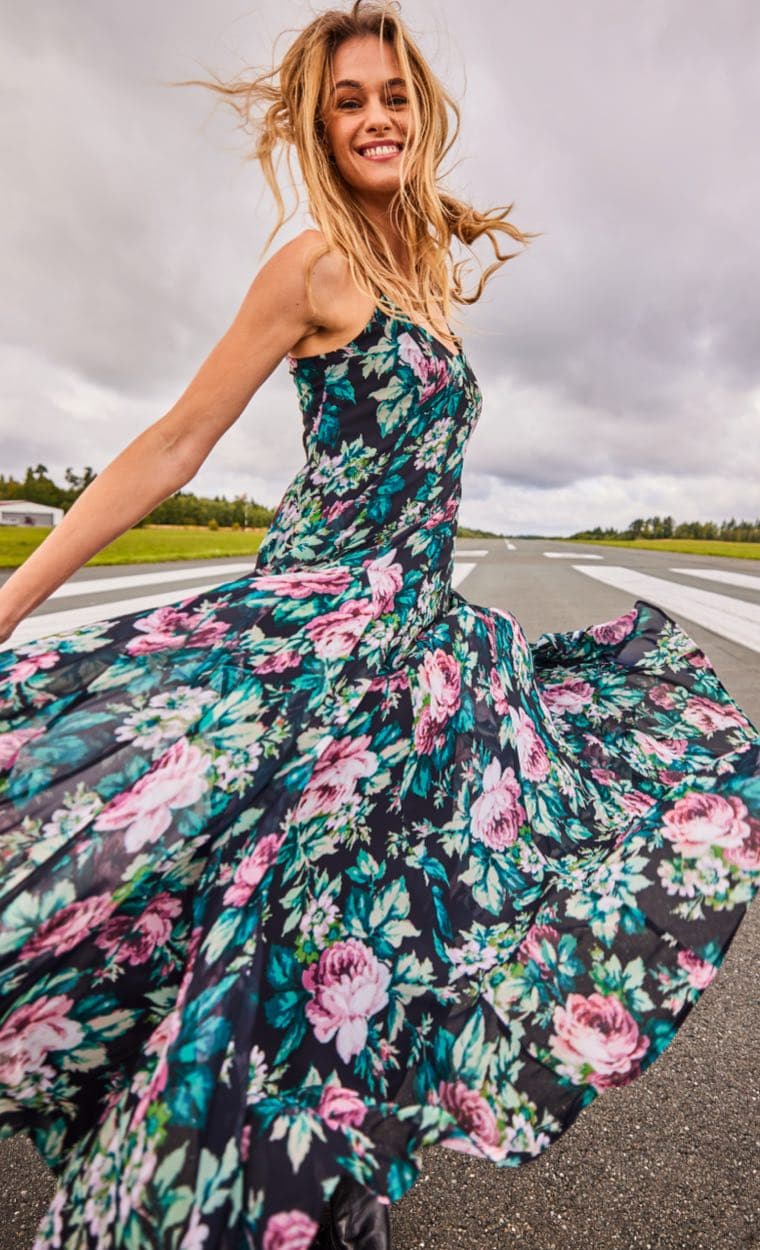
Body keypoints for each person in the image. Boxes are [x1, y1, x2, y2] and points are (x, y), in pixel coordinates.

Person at [0, 2, 758, 1248]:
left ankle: (315, 1174)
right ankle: (223, 1167)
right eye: (348, 101)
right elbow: (177, 440)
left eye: (391, 95)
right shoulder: (313, 267)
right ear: (319, 123)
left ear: (421, 110)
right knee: (205, 878)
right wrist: (13, 596)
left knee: (368, 920)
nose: (374, 117)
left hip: (414, 648)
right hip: (313, 634)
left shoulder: (421, 271)